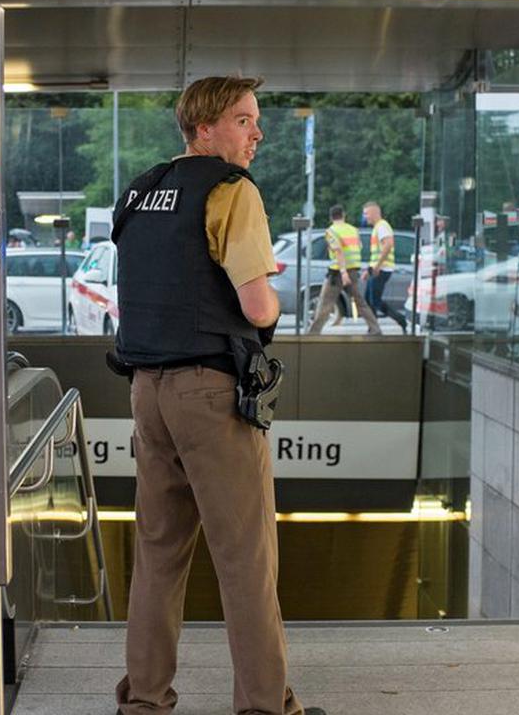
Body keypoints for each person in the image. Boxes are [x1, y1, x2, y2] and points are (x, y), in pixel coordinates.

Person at [108, 76, 324, 715]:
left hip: (147, 391)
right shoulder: (230, 191)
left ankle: (144, 700)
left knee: (157, 554)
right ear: (205, 128)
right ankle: (264, 705)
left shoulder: (141, 190)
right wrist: (276, 297)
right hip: (210, 394)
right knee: (245, 560)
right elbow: (257, 306)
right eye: (243, 119)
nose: (256, 132)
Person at [308, 205, 381, 335]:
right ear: (344, 215)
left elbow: (338, 251)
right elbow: (359, 247)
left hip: (337, 274)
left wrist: (343, 272)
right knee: (360, 302)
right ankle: (375, 329)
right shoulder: (354, 230)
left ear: (331, 217)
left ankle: (313, 334)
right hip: (353, 271)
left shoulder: (331, 231)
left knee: (325, 303)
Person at [360, 201, 408, 333]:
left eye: (366, 213)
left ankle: (398, 321)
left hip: (382, 269)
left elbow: (388, 245)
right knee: (369, 300)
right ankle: (374, 328)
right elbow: (377, 252)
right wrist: (369, 270)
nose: (365, 217)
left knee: (373, 301)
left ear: (375, 213)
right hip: (378, 269)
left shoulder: (382, 226)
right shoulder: (378, 227)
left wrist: (376, 267)